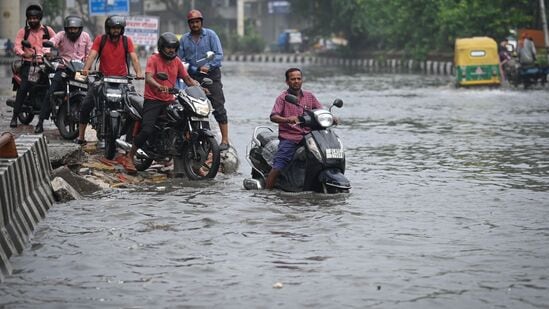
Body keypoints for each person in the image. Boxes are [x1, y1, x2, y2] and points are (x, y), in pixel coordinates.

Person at [121, 32, 199, 174]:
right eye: (168, 48)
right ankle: (130, 156)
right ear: (162, 47)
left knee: (184, 125)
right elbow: (149, 77)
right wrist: (158, 86)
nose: (171, 51)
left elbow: (187, 79)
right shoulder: (154, 59)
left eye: (174, 48)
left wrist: (198, 88)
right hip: (153, 100)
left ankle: (192, 163)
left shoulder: (177, 61)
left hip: (170, 100)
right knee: (147, 129)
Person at [75, 15, 143, 145]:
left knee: (135, 108)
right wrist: (86, 69)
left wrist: (139, 72)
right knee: (85, 106)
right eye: (113, 28)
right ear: (108, 28)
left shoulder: (126, 41)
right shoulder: (100, 40)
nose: (116, 31)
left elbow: (134, 58)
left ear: (122, 29)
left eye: (118, 28)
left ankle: (131, 139)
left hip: (123, 80)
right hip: (103, 79)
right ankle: (81, 136)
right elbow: (92, 55)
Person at [178, 9, 230, 151]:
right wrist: (188, 69)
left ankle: (225, 140)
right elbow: (180, 60)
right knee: (190, 107)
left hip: (211, 76)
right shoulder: (184, 39)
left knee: (218, 106)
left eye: (197, 22)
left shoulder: (211, 35)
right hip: (192, 77)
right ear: (189, 24)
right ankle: (191, 138)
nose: (195, 25)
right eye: (192, 22)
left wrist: (209, 65)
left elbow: (219, 55)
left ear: (201, 22)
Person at [265, 68, 323, 189]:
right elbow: (273, 116)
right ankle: (267, 193)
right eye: (293, 79)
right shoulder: (283, 98)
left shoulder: (309, 96)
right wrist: (287, 119)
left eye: (298, 78)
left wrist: (331, 118)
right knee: (279, 165)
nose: (296, 81)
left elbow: (320, 111)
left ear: (302, 80)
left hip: (309, 136)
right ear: (287, 82)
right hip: (290, 138)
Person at [34, 15, 92, 133]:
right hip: (64, 69)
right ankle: (40, 122)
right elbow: (51, 42)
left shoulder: (85, 36)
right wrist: (47, 52)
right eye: (70, 29)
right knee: (51, 92)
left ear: (79, 29)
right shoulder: (61, 35)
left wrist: (87, 64)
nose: (72, 31)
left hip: (79, 71)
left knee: (89, 92)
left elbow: (90, 52)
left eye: (75, 29)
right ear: (66, 29)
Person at [10, 4, 56, 128]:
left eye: (35, 18)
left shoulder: (47, 30)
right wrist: (23, 53)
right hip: (31, 65)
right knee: (24, 87)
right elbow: (17, 46)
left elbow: (56, 41)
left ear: (40, 18)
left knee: (53, 86)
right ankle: (14, 116)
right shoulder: (23, 32)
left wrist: (51, 53)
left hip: (46, 64)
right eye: (30, 18)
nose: (32, 20)